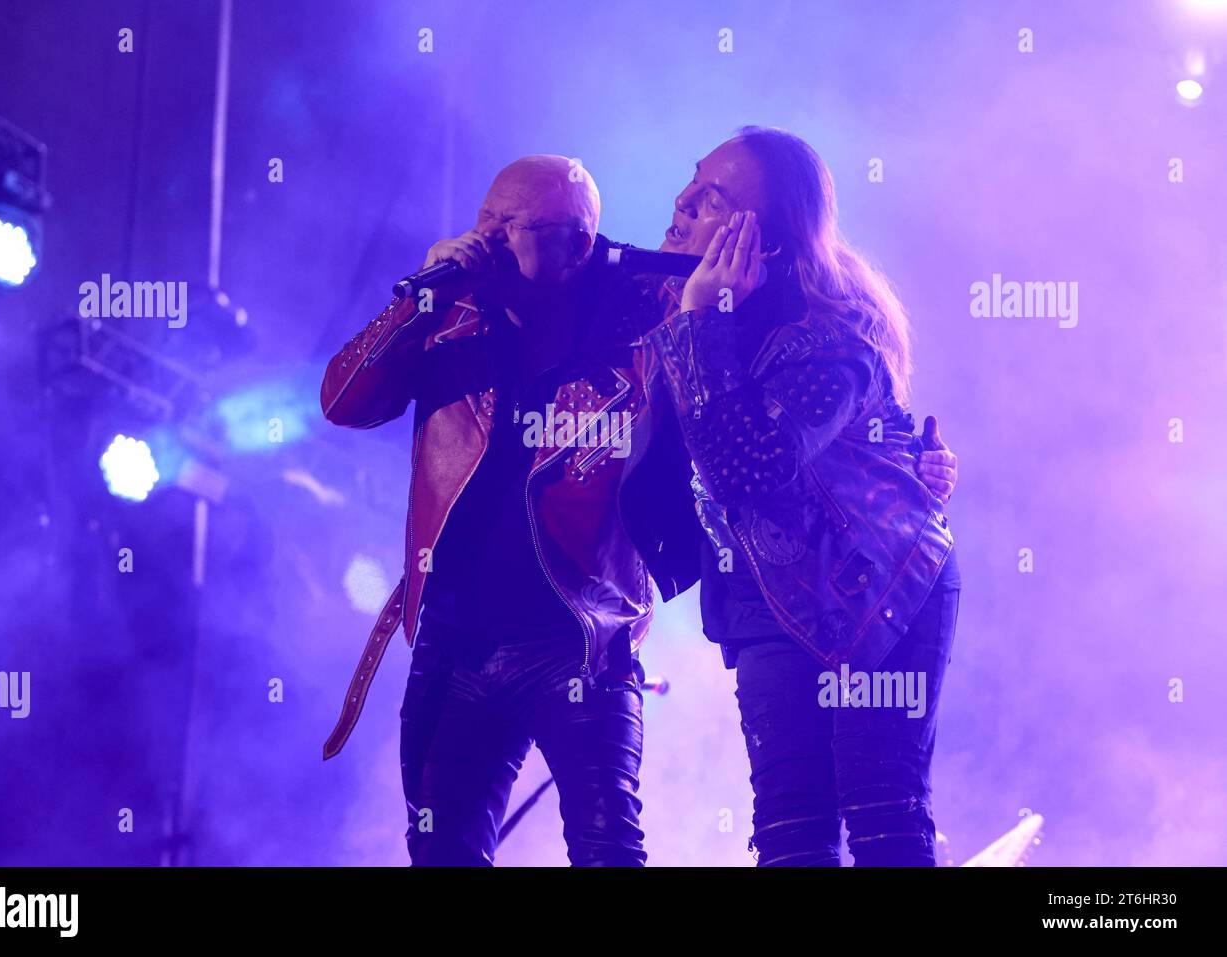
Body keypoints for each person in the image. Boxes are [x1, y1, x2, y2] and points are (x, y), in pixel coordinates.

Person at [320, 152, 957, 866]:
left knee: (862, 818)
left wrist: (910, 463)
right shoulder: (459, 312)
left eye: (512, 224)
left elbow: (758, 435)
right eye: (483, 219)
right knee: (787, 830)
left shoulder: (670, 310)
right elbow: (342, 401)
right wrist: (419, 300)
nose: (486, 238)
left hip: (636, 626)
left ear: (575, 241)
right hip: (497, 634)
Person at [647, 126, 961, 865]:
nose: (682, 203)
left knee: (883, 813)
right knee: (790, 828)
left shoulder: (832, 331)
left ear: (771, 237)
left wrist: (703, 321)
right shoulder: (669, 297)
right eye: (691, 182)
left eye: (711, 198)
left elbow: (746, 467)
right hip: (763, 591)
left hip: (879, 586)